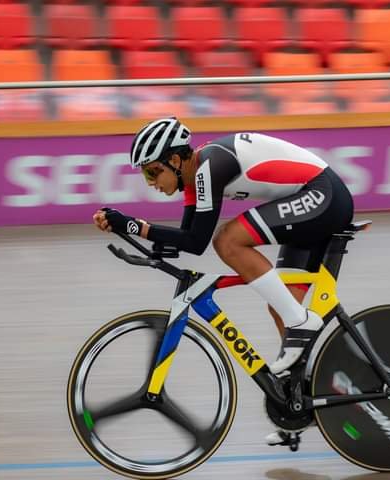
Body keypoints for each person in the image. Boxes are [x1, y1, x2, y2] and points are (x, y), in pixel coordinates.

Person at [93, 117, 354, 445]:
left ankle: (301, 323)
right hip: (313, 199)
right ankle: (298, 408)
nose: (150, 182)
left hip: (323, 195)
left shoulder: (209, 166)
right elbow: (186, 240)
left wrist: (131, 224)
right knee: (281, 307)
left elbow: (201, 241)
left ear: (174, 160)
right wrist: (128, 228)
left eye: (152, 172)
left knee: (228, 241)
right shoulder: (194, 175)